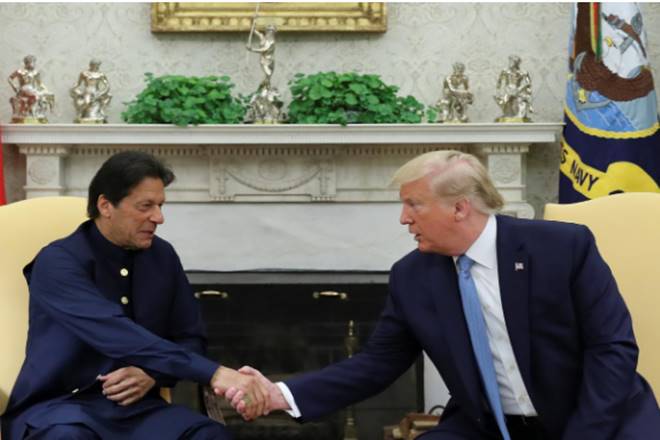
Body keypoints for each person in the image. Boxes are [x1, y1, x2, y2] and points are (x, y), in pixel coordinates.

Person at [228, 150, 660, 439]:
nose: (403, 218)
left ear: (459, 208)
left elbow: (612, 349)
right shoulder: (412, 276)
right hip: (489, 427)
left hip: (595, 418)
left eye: (414, 204)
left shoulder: (562, 248)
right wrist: (280, 394)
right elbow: (376, 364)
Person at [1, 151, 269, 440]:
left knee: (209, 434)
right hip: (59, 407)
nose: (159, 217)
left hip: (138, 411)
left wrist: (152, 373)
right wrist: (215, 373)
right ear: (105, 205)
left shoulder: (162, 256)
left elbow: (191, 338)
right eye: (146, 206)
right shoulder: (57, 262)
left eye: (160, 205)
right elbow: (115, 332)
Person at [8, 55, 54, 123]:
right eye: (33, 62)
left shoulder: (35, 72)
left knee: (49, 95)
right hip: (24, 88)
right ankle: (29, 112)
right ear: (27, 62)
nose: (34, 64)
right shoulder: (20, 71)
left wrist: (46, 90)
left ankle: (42, 113)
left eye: (34, 62)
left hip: (32, 89)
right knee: (36, 96)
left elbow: (40, 84)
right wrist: (14, 87)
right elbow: (9, 78)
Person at [70, 59, 112, 123]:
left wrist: (102, 93)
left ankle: (101, 112)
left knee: (109, 96)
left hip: (97, 92)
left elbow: (107, 85)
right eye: (94, 65)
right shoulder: (84, 73)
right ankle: (80, 113)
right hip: (88, 91)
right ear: (91, 65)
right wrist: (73, 89)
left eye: (97, 65)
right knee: (87, 103)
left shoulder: (101, 74)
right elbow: (78, 83)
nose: (96, 66)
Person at [493, 55, 533, 122]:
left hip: (518, 90)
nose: (509, 63)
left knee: (520, 100)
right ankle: (508, 111)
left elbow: (528, 83)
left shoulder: (523, 72)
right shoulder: (505, 71)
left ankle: (519, 114)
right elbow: (499, 82)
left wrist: (520, 88)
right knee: (506, 101)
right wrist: (498, 92)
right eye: (509, 61)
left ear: (516, 62)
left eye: (511, 61)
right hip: (508, 90)